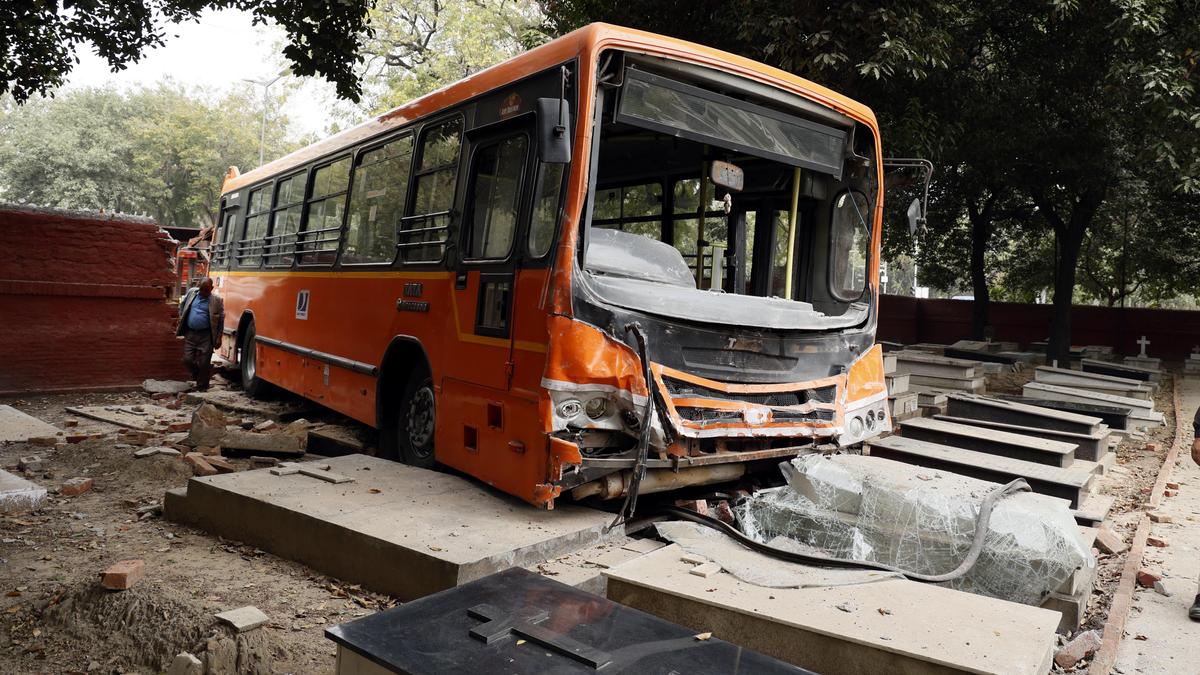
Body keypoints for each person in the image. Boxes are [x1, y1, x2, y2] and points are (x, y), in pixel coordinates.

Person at [177, 278, 224, 391]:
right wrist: (181, 317)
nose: (203, 292)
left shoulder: (217, 300)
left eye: (206, 290)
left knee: (204, 363)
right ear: (199, 287)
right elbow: (182, 305)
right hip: (190, 333)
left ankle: (202, 387)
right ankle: (198, 374)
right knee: (187, 360)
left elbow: (221, 320)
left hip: (206, 335)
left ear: (212, 289)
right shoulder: (192, 293)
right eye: (202, 289)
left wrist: (219, 337)